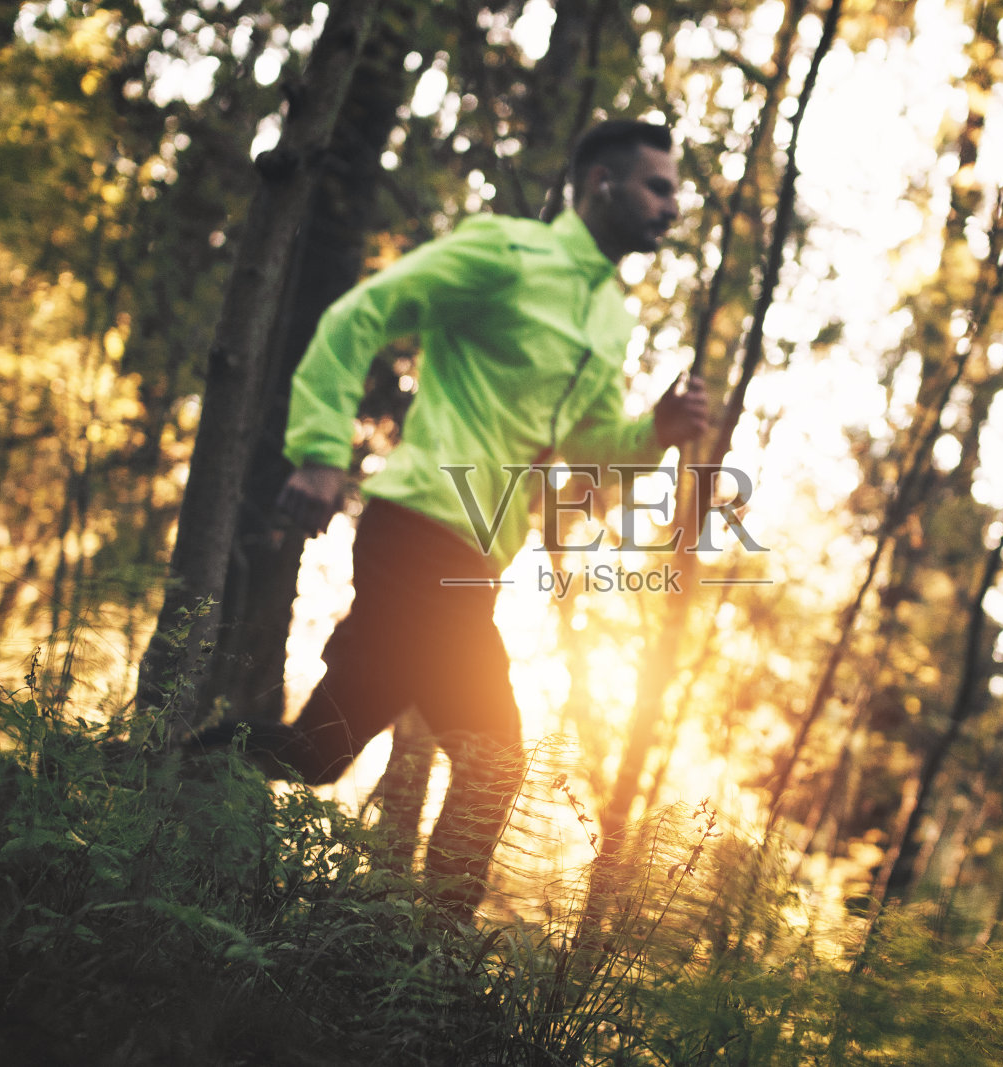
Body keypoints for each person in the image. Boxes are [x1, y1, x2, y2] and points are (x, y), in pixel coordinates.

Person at [199, 120, 709, 922]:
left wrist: (658, 431)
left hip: (475, 559)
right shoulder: (507, 253)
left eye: (674, 191)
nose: (671, 206)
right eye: (658, 186)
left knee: (321, 751)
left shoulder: (611, 317)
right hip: (417, 527)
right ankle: (424, 965)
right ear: (602, 182)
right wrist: (321, 452)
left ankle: (167, 762)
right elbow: (358, 315)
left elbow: (593, 452)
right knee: (495, 753)